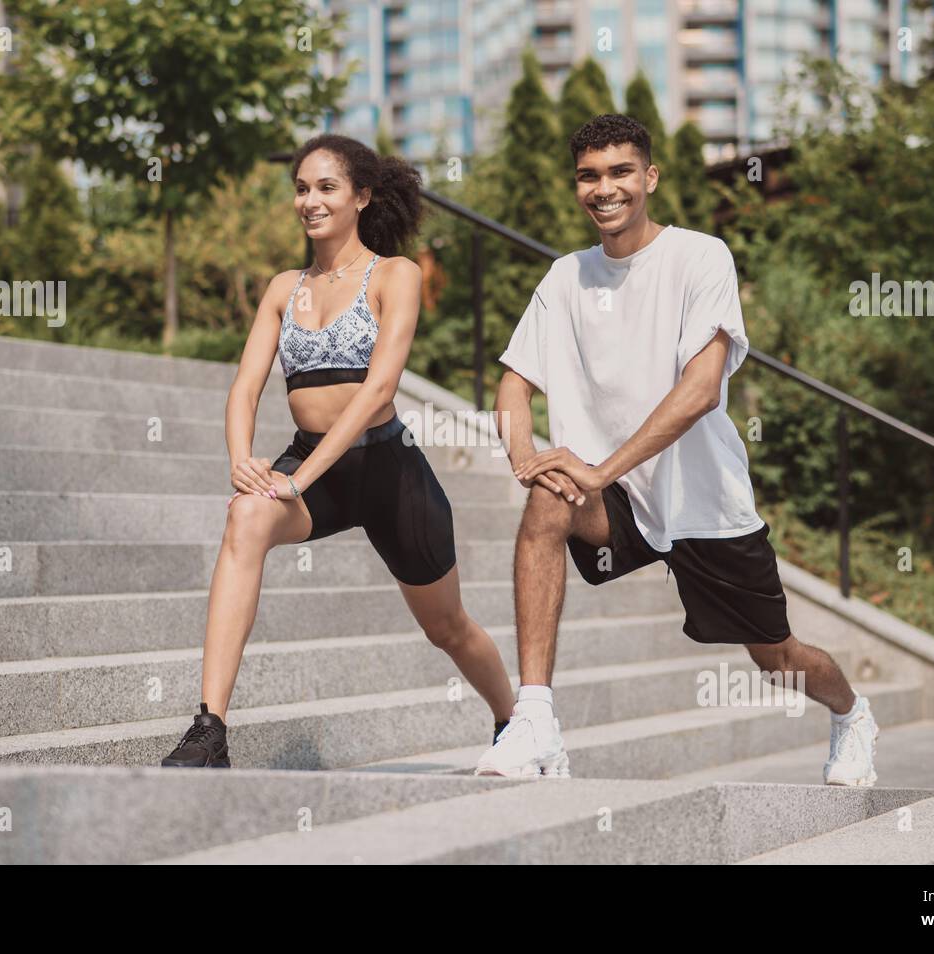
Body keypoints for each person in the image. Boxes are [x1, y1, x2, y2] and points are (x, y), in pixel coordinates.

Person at [474, 114, 879, 785]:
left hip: (701, 502)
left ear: (650, 177)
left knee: (774, 657)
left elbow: (699, 391)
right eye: (589, 175)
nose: (605, 188)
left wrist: (600, 467)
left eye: (620, 172)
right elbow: (513, 384)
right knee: (550, 498)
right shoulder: (564, 278)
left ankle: (852, 713)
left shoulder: (700, 256)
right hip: (617, 500)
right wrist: (526, 459)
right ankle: (536, 721)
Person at [162, 134, 516, 767]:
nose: (310, 200)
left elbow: (380, 386)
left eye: (326, 187)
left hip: (388, 469)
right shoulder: (281, 288)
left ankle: (512, 720)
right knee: (244, 516)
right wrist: (244, 461)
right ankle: (210, 727)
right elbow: (244, 388)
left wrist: (298, 481)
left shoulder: (395, 275)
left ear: (362, 196)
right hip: (309, 459)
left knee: (447, 628)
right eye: (301, 188)